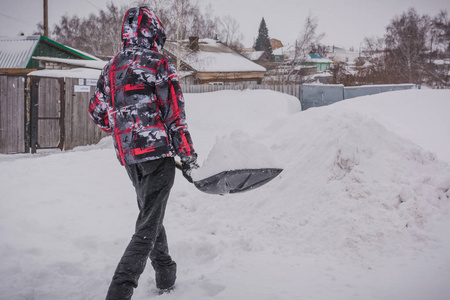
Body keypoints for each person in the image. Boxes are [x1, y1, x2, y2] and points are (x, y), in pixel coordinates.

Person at [88, 6, 198, 299]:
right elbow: (175, 115)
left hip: (130, 159)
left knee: (151, 214)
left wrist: (124, 126)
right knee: (147, 224)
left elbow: (98, 113)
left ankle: (165, 272)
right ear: (154, 32)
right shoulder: (158, 63)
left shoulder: (110, 68)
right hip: (157, 155)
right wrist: (186, 154)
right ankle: (120, 290)